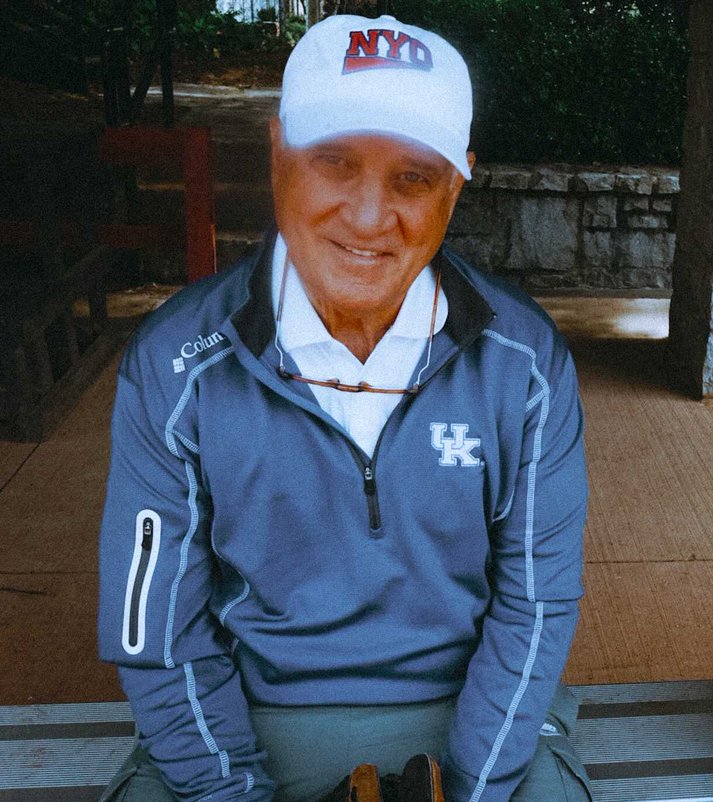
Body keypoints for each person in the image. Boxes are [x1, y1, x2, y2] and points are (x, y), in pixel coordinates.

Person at [96, 15, 590, 802]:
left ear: (457, 184)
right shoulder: (176, 363)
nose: (367, 216)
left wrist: (471, 790)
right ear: (277, 152)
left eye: (412, 178)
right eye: (335, 162)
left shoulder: (523, 365)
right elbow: (159, 637)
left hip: (472, 724)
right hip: (249, 720)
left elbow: (537, 607)